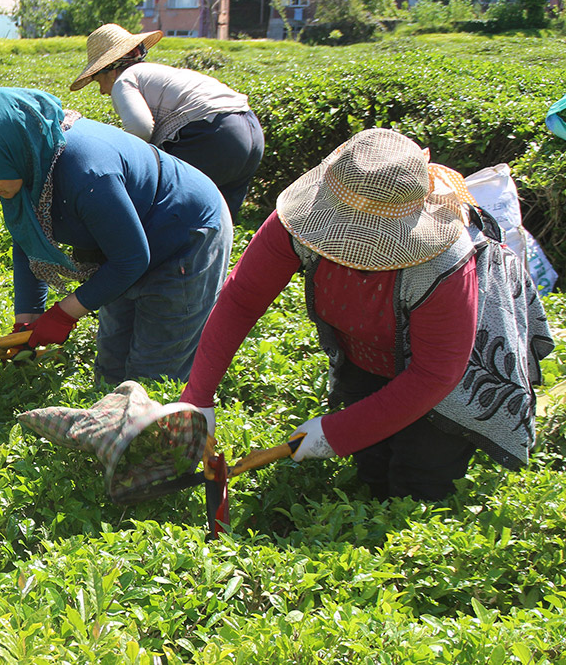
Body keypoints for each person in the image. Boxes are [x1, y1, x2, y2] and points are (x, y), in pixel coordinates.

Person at [179, 128, 554, 501]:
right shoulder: (297, 220)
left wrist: (332, 433)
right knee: (371, 463)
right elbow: (241, 299)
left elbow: (436, 373)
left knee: (421, 473)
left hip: (457, 366)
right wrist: (198, 397)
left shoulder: (445, 262)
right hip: (367, 343)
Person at [0, 87, 233, 385]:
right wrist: (29, 321)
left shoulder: (87, 173)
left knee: (152, 372)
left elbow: (130, 260)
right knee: (112, 363)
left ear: (14, 153)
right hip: (122, 243)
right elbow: (27, 240)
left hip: (184, 234)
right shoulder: (27, 167)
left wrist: (63, 314)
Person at [71, 24, 264, 221]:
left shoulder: (125, 79)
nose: (102, 91)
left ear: (110, 70)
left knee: (164, 215)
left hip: (214, 136)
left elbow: (140, 129)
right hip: (251, 132)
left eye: (98, 81)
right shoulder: (157, 71)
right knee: (219, 222)